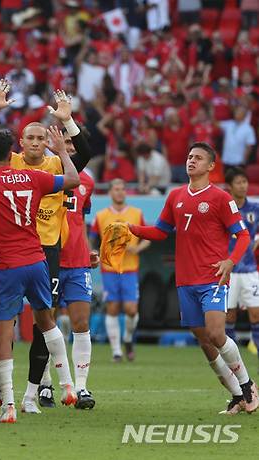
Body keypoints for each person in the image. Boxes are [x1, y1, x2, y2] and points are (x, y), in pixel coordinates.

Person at [0, 81, 93, 411]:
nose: (37, 143)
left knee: (44, 321)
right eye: (31, 138)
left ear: (49, 141)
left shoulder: (56, 164)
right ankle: (21, 390)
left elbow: (84, 153)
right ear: (20, 144)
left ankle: (32, 392)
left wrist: (69, 121)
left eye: (42, 138)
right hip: (18, 250)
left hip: (47, 250)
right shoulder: (11, 165)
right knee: (14, 324)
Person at [128, 142, 258, 414]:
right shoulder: (175, 195)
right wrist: (131, 228)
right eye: (189, 157)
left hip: (212, 277)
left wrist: (230, 261)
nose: (191, 161)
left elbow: (243, 235)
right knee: (204, 341)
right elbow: (161, 231)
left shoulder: (221, 198)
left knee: (216, 333)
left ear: (211, 166)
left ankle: (247, 385)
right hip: (185, 280)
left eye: (198, 158)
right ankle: (236, 395)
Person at [0, 126, 80, 423]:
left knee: (3, 335)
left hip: (5, 268)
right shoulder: (33, 176)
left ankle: (9, 406)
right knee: (46, 320)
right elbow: (73, 180)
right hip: (36, 261)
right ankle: (68, 384)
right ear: (11, 154)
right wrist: (62, 151)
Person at [42, 136, 99, 410]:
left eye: (72, 141)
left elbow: (81, 221)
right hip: (47, 259)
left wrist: (88, 249)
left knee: (81, 323)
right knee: (46, 322)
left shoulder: (86, 181)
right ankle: (44, 384)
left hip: (77, 262)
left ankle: (81, 386)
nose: (69, 146)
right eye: (63, 141)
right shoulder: (42, 175)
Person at [91, 179, 149, 362]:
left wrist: (137, 248)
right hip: (109, 269)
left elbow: (147, 237)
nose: (120, 192)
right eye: (116, 189)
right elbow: (91, 238)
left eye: (123, 189)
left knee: (131, 309)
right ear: (110, 192)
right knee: (113, 308)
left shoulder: (136, 213)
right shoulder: (101, 216)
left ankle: (128, 339)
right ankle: (116, 351)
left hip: (130, 268)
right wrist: (93, 253)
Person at [224, 168, 259, 370]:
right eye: (238, 182)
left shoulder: (254, 208)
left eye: (245, 181)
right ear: (230, 186)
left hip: (250, 270)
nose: (243, 185)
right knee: (229, 316)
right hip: (229, 271)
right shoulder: (224, 209)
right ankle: (234, 362)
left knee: (256, 314)